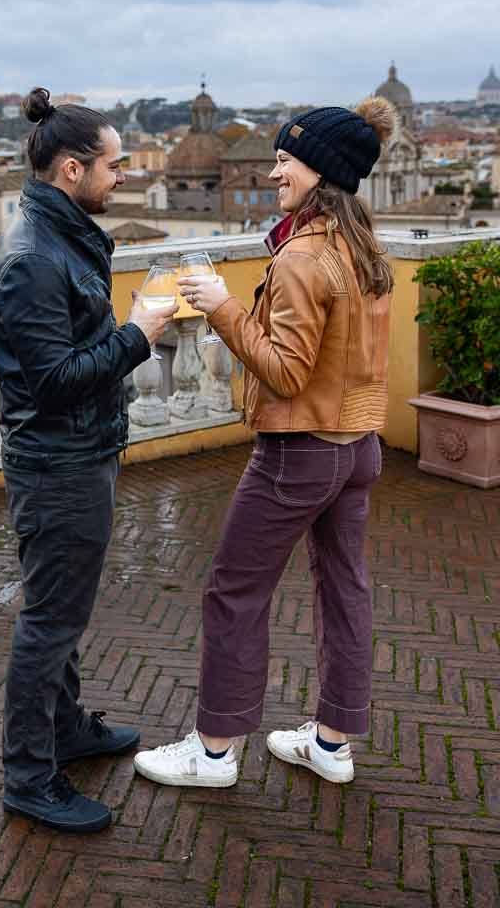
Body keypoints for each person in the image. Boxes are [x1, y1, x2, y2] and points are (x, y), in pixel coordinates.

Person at [133, 96, 396, 790]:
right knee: (344, 587)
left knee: (234, 589)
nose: (275, 172)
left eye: (285, 161)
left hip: (299, 451)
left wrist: (222, 306)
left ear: (320, 171)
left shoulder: (303, 258)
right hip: (358, 446)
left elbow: (284, 371)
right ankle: (333, 741)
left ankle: (214, 751)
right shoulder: (365, 249)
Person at [0, 87, 176, 832]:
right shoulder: (33, 260)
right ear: (72, 169)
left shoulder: (60, 238)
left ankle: (63, 729)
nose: (122, 176)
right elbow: (56, 382)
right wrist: (138, 336)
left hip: (79, 452)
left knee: (63, 610)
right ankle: (30, 776)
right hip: (58, 463)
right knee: (50, 620)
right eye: (115, 165)